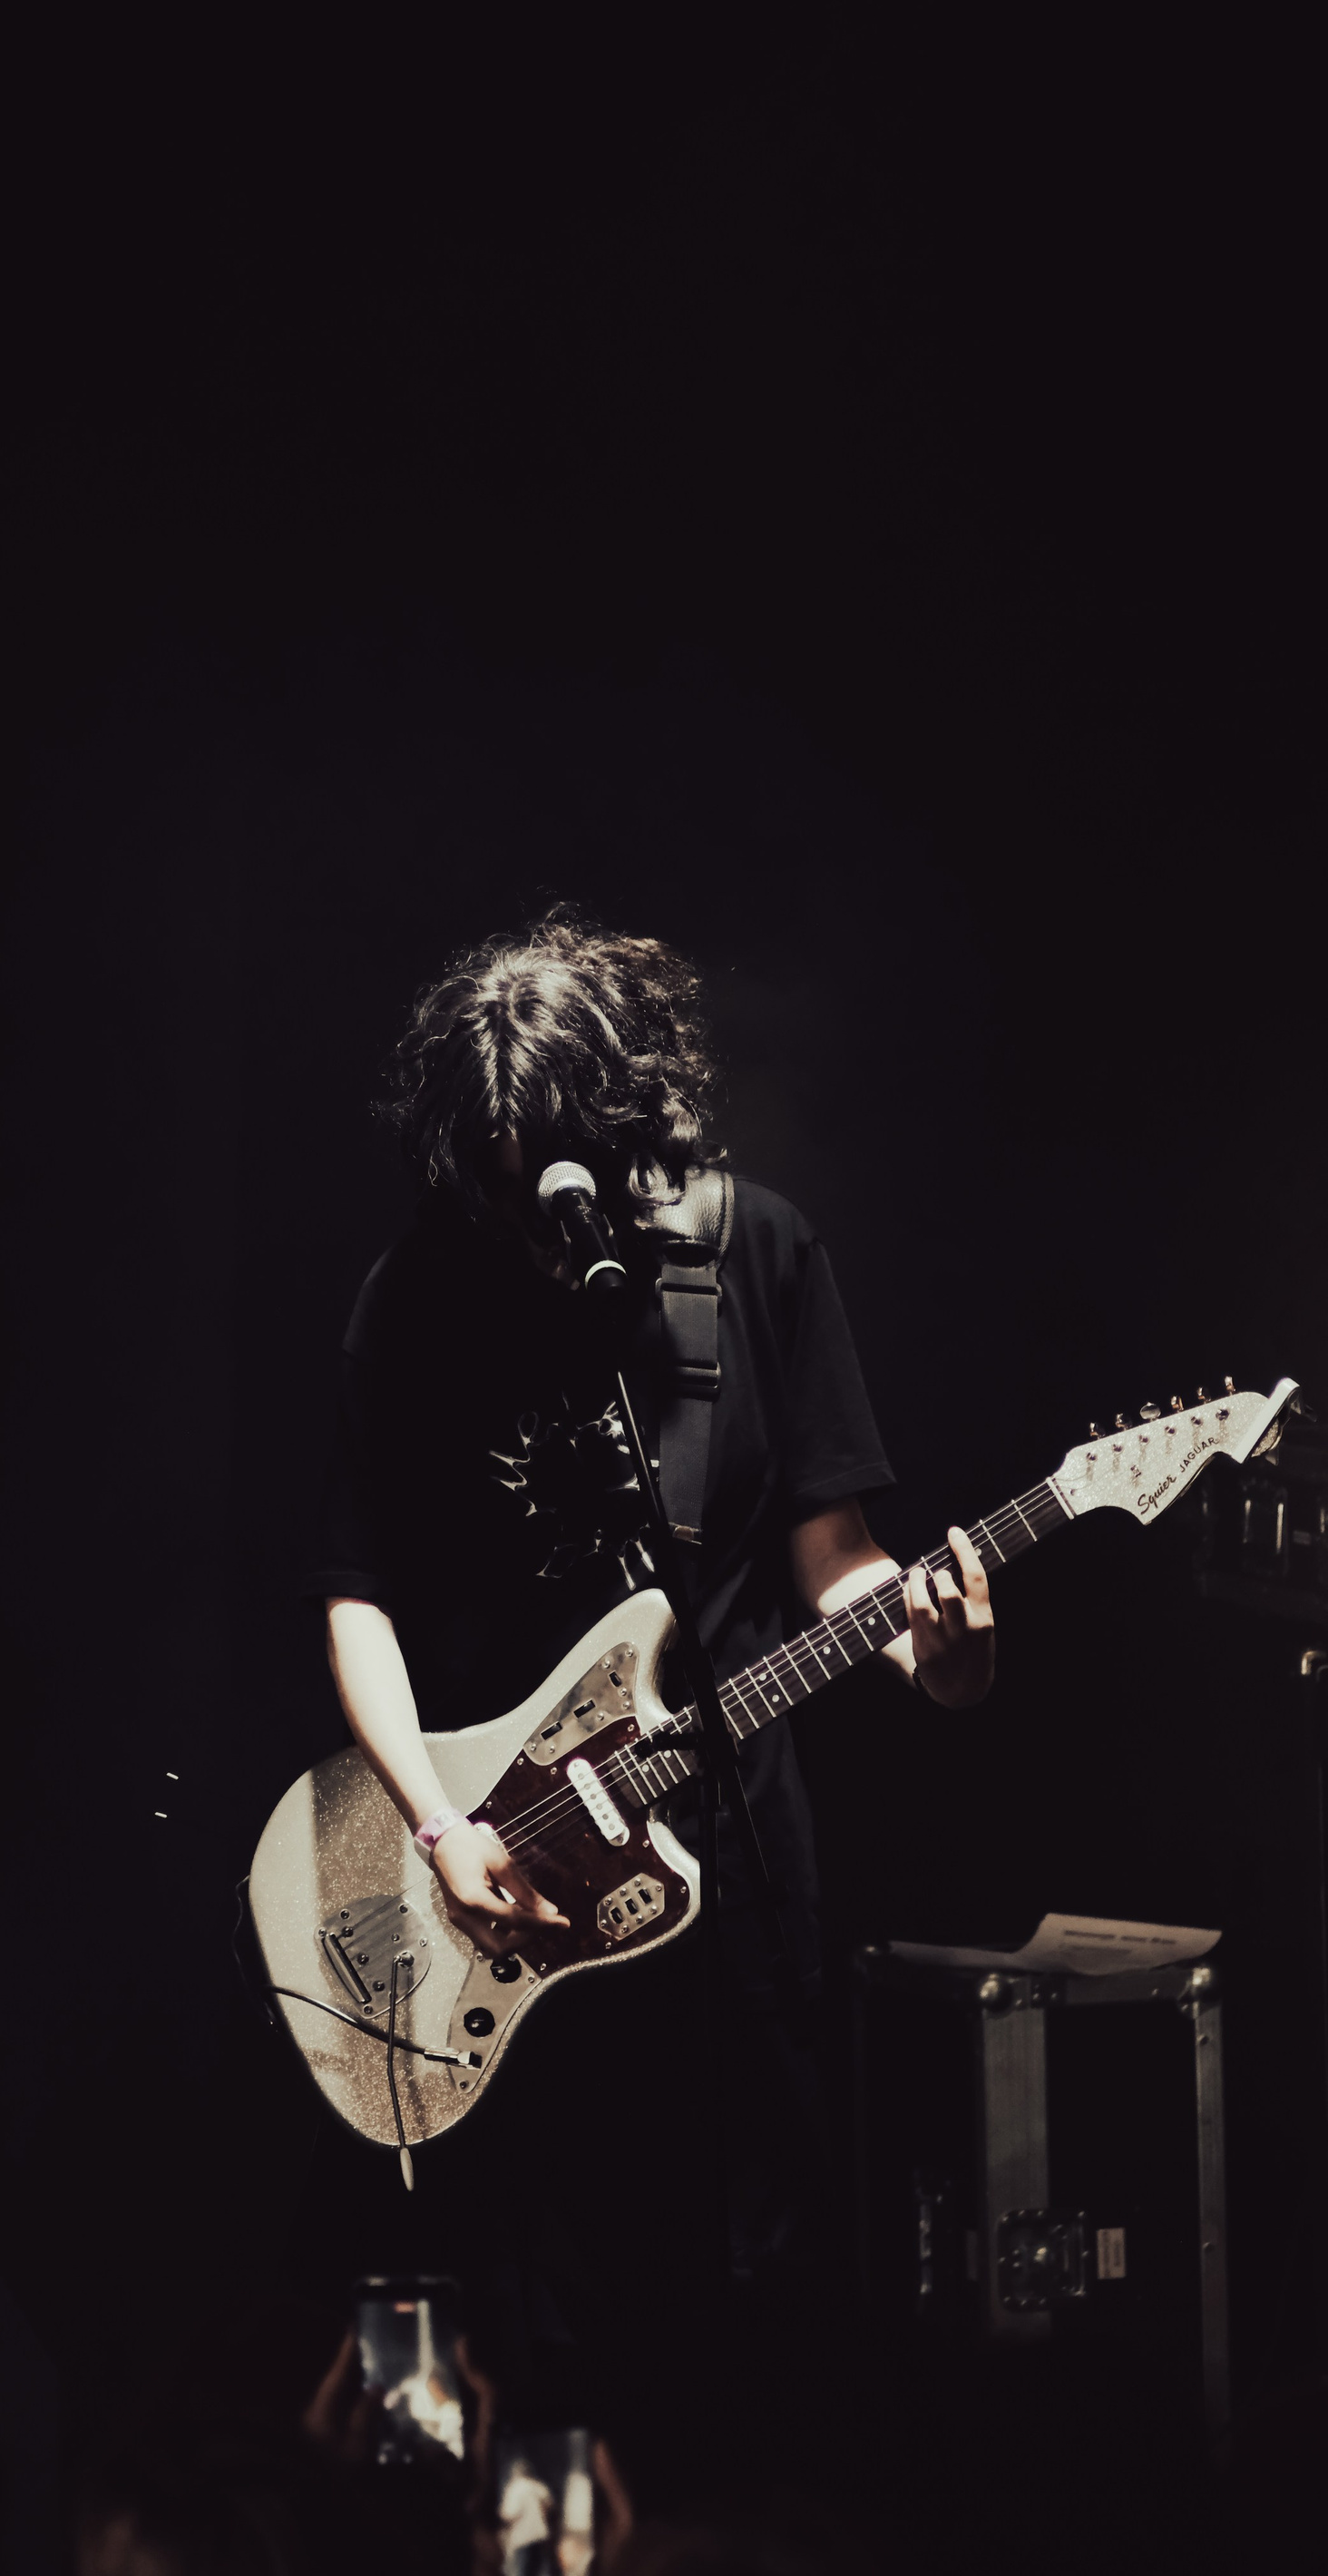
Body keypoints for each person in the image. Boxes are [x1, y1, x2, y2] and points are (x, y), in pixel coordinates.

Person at [306, 916, 994, 2307]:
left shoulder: (753, 1253)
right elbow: (357, 1590)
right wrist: (437, 1826)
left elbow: (838, 1557)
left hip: (729, 1866)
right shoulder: (421, 1291)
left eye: (550, 1178)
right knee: (554, 2298)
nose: (527, 1224)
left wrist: (938, 1655)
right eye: (495, 1188)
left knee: (761, 2279)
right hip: (503, 1871)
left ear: (626, 1126)